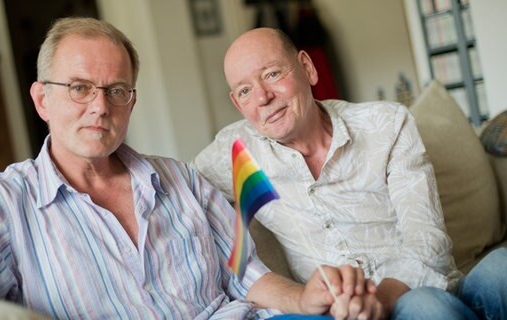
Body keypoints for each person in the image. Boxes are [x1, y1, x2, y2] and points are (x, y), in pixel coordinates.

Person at [0, 18, 383, 320]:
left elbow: (248, 276)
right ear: (42, 100)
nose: (99, 107)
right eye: (79, 88)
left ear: (131, 101)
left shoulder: (184, 180)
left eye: (116, 90)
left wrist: (305, 298)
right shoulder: (3, 204)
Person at [192, 27, 507, 319]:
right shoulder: (236, 151)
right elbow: (175, 188)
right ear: (237, 103)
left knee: (500, 267)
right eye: (245, 91)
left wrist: (377, 301)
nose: (262, 97)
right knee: (428, 308)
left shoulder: (387, 124)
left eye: (272, 74)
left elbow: (428, 241)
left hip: (417, 288)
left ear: (307, 67)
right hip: (351, 311)